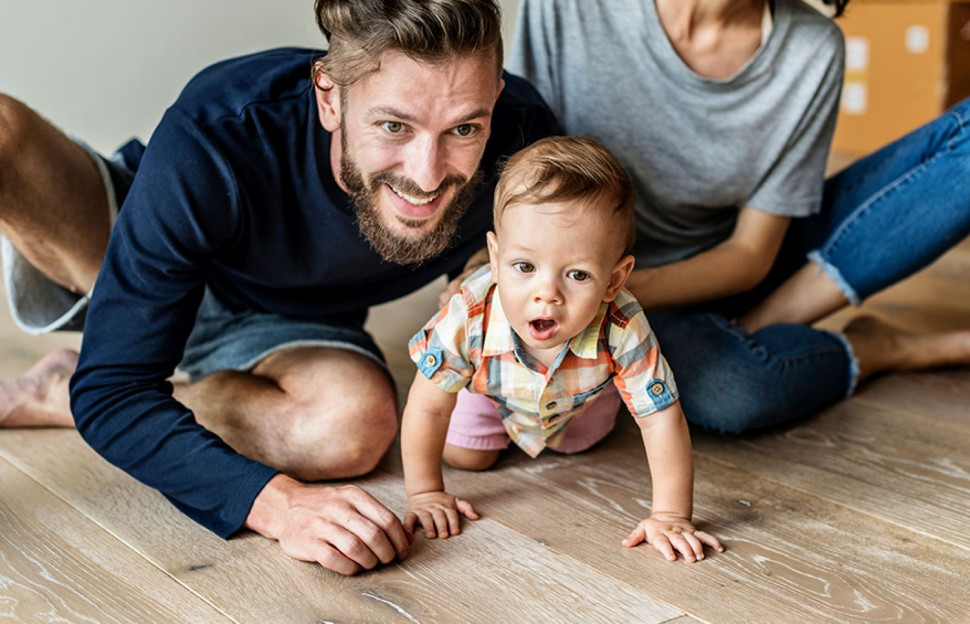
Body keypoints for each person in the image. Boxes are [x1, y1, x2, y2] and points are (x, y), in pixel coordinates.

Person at [0, 0, 557, 575]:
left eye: (464, 128)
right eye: (394, 126)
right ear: (328, 97)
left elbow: (510, 273)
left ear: (494, 98)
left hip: (286, 325)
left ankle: (61, 392)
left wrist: (484, 285)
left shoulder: (525, 145)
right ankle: (106, 364)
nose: (427, 174)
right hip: (132, 256)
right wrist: (281, 505)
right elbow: (113, 392)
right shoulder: (218, 130)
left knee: (351, 428)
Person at [508, 0, 970, 434]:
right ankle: (877, 348)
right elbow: (520, 181)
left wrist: (614, 293)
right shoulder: (568, 8)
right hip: (582, 282)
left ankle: (766, 327)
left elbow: (750, 254)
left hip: (707, 274)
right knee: (735, 391)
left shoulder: (811, 48)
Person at [402, 136, 724, 563]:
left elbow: (661, 419)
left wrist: (670, 515)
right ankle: (495, 424)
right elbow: (427, 408)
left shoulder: (623, 325)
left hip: (578, 402)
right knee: (466, 455)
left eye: (577, 274)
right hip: (490, 390)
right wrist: (425, 492)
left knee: (581, 444)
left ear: (614, 280)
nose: (547, 294)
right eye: (524, 267)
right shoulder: (469, 313)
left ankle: (607, 396)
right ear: (495, 258)